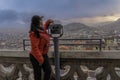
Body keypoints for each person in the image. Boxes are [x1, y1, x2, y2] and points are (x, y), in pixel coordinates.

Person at [29, 15, 51, 80]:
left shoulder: (39, 29)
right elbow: (35, 48)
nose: (42, 21)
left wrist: (47, 23)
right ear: (38, 21)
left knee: (48, 70)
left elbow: (43, 29)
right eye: (40, 20)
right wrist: (40, 59)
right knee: (38, 74)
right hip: (36, 56)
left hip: (43, 54)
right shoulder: (34, 33)